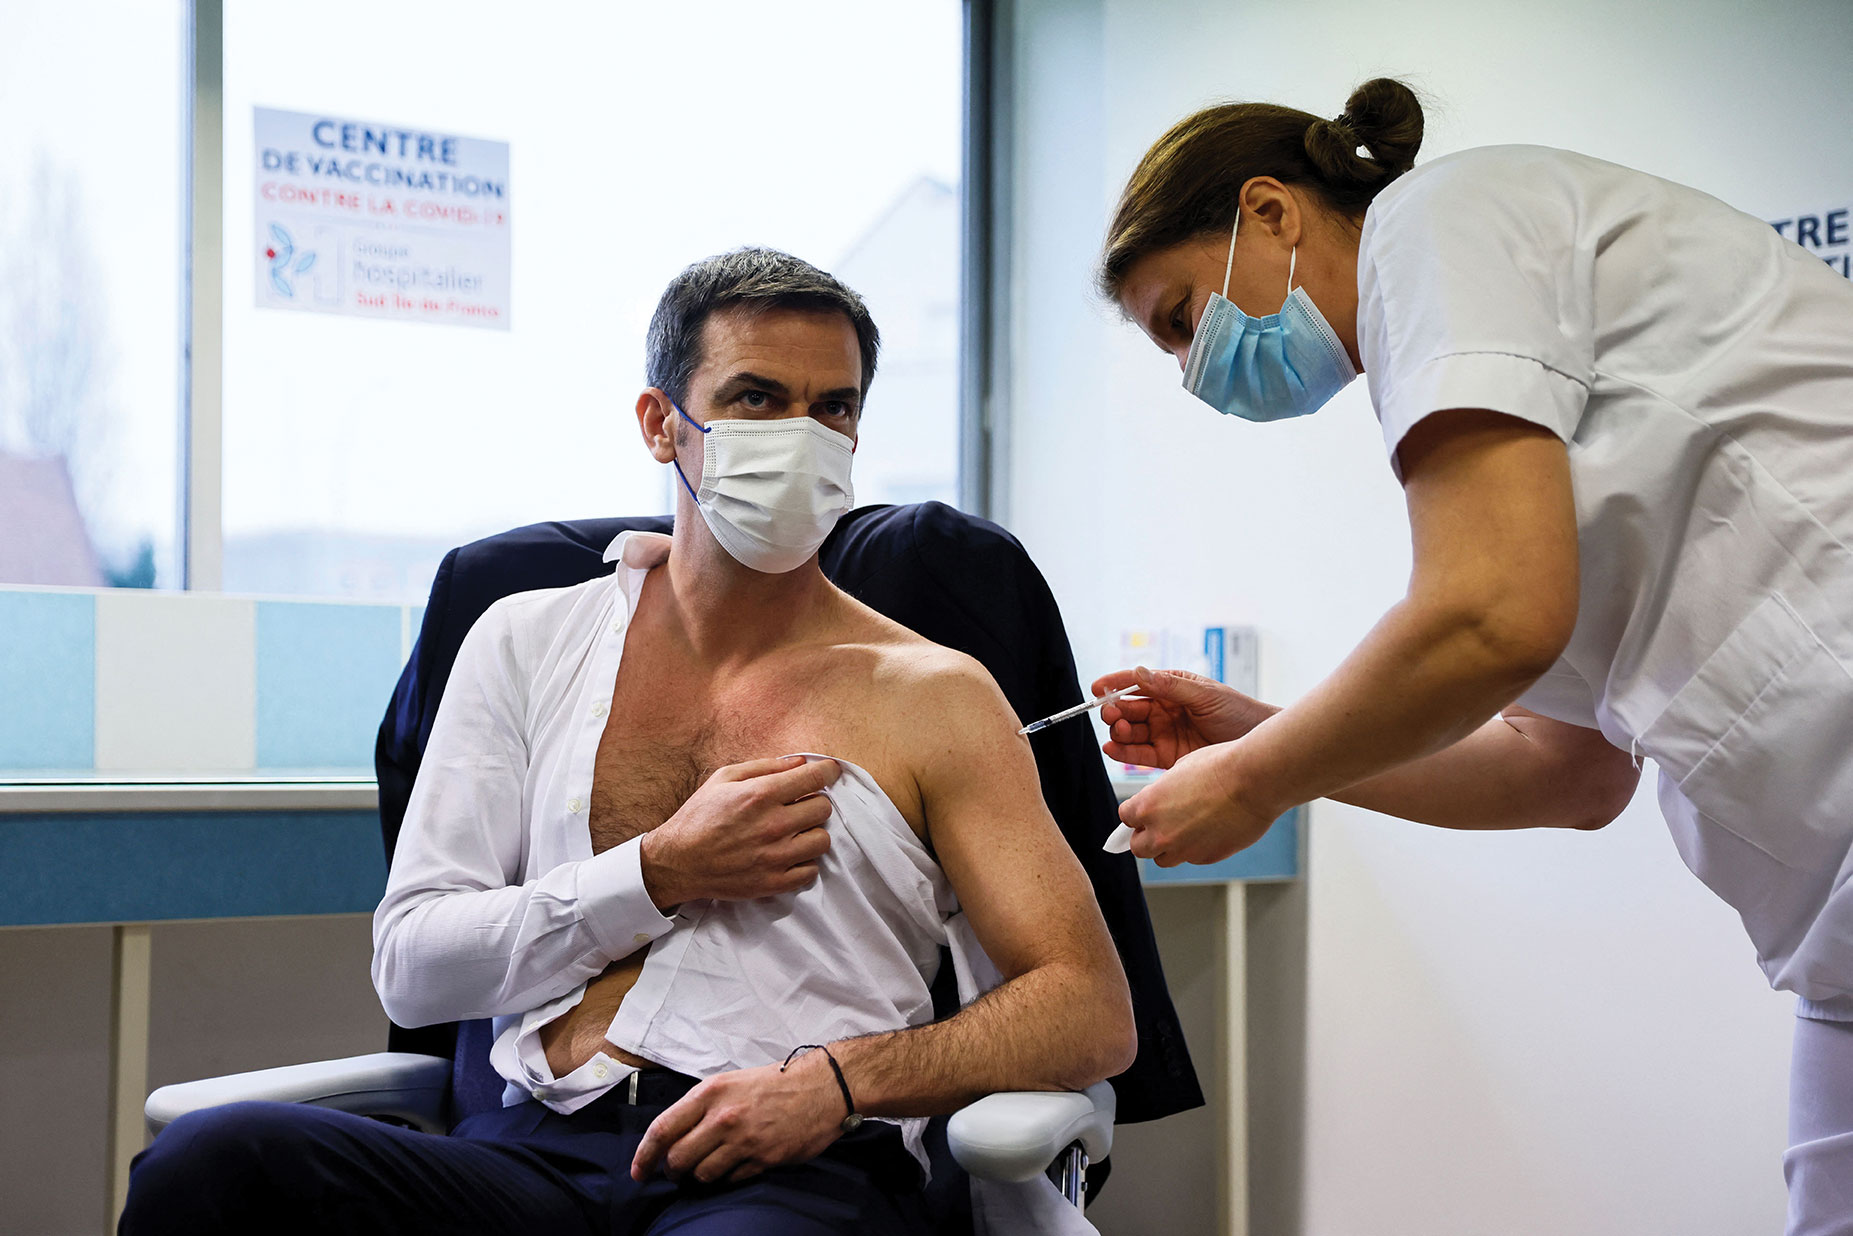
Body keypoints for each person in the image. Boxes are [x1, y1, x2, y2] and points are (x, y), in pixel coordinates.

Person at [121, 248, 1134, 1236]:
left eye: (834, 407)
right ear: (662, 425)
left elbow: (1087, 1010)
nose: (804, 435)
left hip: (791, 1169)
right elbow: (415, 970)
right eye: (755, 397)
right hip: (522, 1156)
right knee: (210, 1166)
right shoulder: (522, 643)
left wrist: (835, 1082)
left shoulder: (933, 694)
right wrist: (656, 871)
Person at [1091, 78, 1853, 1232]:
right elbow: (1560, 771)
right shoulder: (1474, 381)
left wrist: (1255, 779)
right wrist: (1261, 736)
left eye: (1181, 320)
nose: (1194, 373)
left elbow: (1490, 614)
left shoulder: (1439, 221)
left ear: (1269, 212)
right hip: (1822, 899)